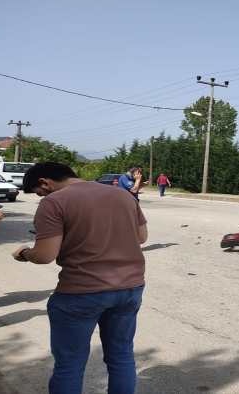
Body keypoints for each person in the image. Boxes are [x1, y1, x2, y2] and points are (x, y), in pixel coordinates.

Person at [12, 162, 148, 393]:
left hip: (80, 292)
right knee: (122, 357)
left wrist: (24, 253)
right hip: (129, 288)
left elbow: (45, 255)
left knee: (69, 366)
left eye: (39, 192)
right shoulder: (123, 195)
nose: (41, 197)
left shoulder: (54, 202)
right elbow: (142, 237)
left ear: (45, 182)